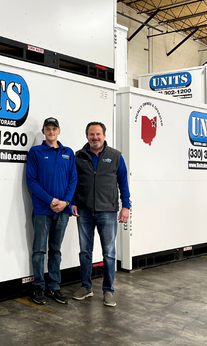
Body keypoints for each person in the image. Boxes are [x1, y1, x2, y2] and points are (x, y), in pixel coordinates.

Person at [71, 122, 130, 308]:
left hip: (108, 212)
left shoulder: (116, 156)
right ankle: (86, 287)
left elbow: (123, 183)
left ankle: (108, 290)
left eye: (98, 134)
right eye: (91, 134)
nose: (94, 137)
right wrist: (73, 202)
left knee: (109, 254)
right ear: (86, 135)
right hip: (84, 211)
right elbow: (72, 182)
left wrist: (126, 206)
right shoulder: (78, 157)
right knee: (85, 252)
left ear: (104, 135)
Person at [26, 117, 77, 305]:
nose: (51, 131)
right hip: (42, 210)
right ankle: (38, 285)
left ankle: (54, 286)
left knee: (55, 249)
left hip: (62, 212)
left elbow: (73, 179)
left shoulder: (68, 153)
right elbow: (31, 181)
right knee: (39, 250)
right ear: (44, 131)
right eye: (48, 129)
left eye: (54, 128)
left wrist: (65, 202)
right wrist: (51, 200)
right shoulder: (36, 152)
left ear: (59, 131)